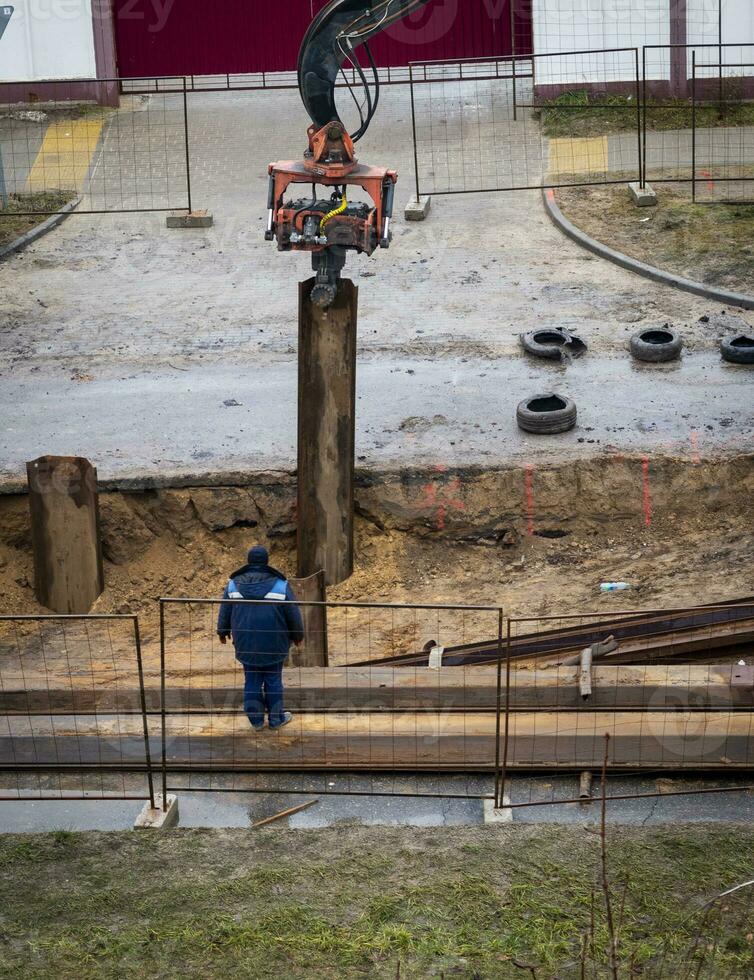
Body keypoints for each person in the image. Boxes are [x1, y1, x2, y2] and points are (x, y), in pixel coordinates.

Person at [217, 546, 304, 732]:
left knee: (252, 680)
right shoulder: (281, 585)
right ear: (266, 561)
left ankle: (256, 721)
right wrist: (298, 636)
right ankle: (276, 720)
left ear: (249, 561)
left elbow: (225, 610)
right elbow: (293, 614)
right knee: (273, 680)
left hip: (246, 643)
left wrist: (222, 631)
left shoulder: (233, 585)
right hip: (274, 644)